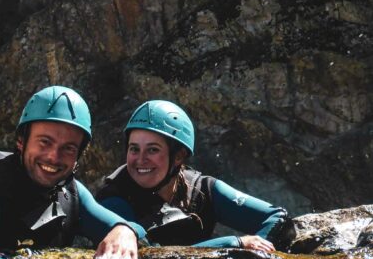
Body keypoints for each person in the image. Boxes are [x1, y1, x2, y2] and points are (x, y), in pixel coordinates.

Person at [0, 86, 146, 259]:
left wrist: (124, 230)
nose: (53, 157)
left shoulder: (72, 194)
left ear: (78, 156)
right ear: (21, 141)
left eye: (68, 148)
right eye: (44, 142)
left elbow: (126, 227)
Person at [97, 100, 295, 251]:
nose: (140, 159)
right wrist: (236, 244)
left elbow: (278, 219)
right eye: (134, 149)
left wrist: (258, 251)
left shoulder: (202, 190)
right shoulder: (114, 198)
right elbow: (148, 255)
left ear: (179, 156)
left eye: (152, 150)